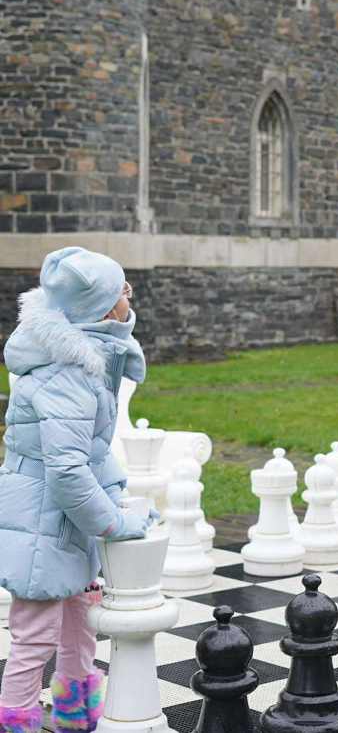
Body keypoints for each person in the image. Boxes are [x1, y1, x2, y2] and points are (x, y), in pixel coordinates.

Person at [0, 247, 155, 733]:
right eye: (125, 290)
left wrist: (109, 493)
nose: (131, 298)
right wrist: (115, 523)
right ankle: (19, 724)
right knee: (33, 640)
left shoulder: (83, 360)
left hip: (64, 524)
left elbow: (83, 455)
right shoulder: (69, 374)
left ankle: (74, 719)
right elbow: (67, 471)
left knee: (79, 631)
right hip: (45, 526)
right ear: (107, 308)